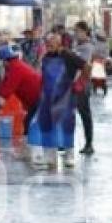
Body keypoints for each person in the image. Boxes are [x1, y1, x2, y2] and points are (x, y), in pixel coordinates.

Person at [27, 33, 89, 170]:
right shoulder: (45, 57)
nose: (48, 46)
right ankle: (49, 157)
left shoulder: (68, 55)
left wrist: (80, 83)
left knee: (66, 126)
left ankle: (69, 156)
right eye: (47, 43)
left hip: (65, 97)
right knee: (47, 125)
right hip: (47, 98)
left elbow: (87, 66)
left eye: (52, 43)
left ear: (59, 44)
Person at [0, 44, 42, 137]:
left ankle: (30, 146)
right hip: (39, 98)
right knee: (29, 122)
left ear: (5, 60)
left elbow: (8, 89)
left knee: (30, 123)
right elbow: (4, 84)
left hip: (41, 97)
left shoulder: (16, 68)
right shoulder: (14, 67)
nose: (1, 63)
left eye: (1, 61)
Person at [73, 21, 95, 155]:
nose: (75, 34)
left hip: (83, 83)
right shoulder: (78, 45)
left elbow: (81, 65)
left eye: (77, 31)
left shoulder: (87, 47)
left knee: (85, 114)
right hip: (76, 84)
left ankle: (89, 144)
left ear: (84, 31)